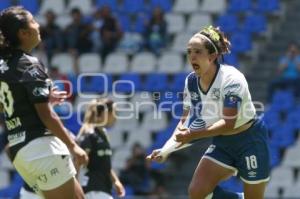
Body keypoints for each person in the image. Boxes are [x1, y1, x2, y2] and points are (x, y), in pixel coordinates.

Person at [147, 25, 270, 199]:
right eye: (189, 52)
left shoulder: (232, 79)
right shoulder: (191, 82)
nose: (192, 56)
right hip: (224, 142)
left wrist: (193, 134)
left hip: (250, 139)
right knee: (197, 192)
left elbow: (229, 122)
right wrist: (166, 150)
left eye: (197, 52)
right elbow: (185, 122)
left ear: (212, 56)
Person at [0, 6, 88, 199]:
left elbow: (5, 106)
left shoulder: (3, 66)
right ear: (23, 33)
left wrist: (41, 100)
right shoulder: (28, 64)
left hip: (19, 149)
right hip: (41, 148)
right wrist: (73, 146)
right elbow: (46, 115)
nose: (38, 25)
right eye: (33, 21)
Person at [77, 98, 125, 199]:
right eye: (114, 112)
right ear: (105, 113)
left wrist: (115, 181)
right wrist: (75, 187)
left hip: (104, 188)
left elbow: (104, 163)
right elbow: (78, 162)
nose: (116, 117)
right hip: (92, 189)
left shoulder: (103, 134)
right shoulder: (89, 133)